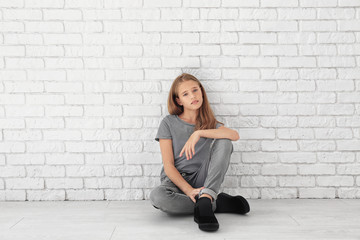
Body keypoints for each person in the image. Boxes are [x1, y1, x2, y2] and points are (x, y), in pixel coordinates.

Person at [150, 73, 250, 232]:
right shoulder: (168, 122)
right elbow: (168, 166)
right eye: (185, 94)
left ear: (202, 92)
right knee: (157, 196)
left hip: (202, 179)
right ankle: (212, 202)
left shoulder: (209, 124)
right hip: (177, 181)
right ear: (178, 100)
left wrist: (198, 133)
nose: (192, 96)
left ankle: (206, 197)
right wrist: (188, 190)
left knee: (224, 141)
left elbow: (234, 135)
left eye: (195, 90)